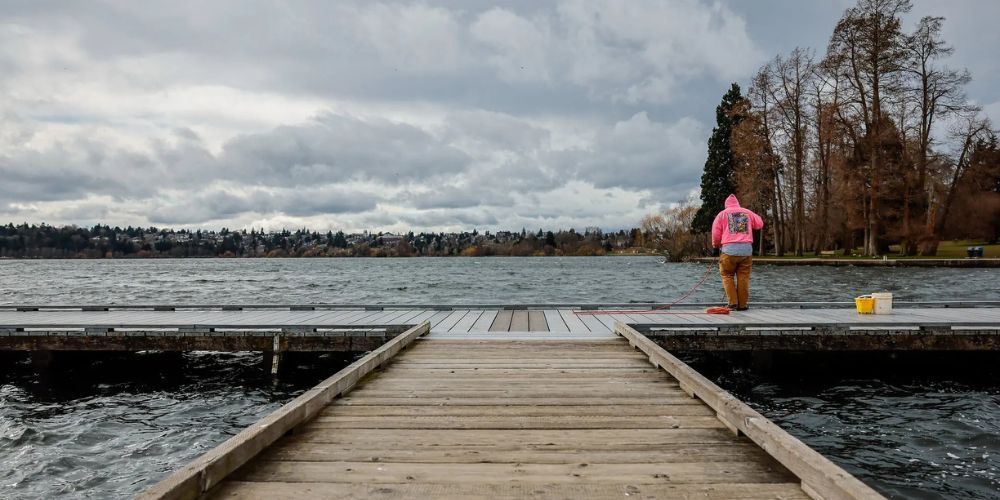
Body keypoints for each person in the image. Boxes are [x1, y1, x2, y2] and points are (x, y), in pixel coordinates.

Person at [711, 194, 764, 311]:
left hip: (729, 251)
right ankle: (743, 305)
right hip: (746, 251)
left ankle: (733, 302)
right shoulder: (747, 212)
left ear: (726, 205)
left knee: (727, 275)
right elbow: (759, 224)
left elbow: (716, 232)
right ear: (737, 203)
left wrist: (715, 246)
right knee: (743, 278)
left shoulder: (722, 214)